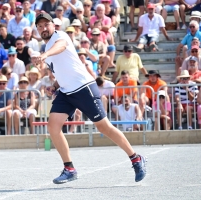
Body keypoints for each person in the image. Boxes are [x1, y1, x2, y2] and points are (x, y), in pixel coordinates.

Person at [33, 13, 147, 184]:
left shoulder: (60, 36)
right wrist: (54, 86)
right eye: (39, 26)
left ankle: (136, 158)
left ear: (53, 25)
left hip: (84, 88)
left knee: (104, 127)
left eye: (45, 25)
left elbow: (61, 46)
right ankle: (69, 168)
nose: (43, 28)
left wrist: (44, 55)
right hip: (65, 92)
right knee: (53, 126)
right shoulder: (47, 51)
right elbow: (63, 70)